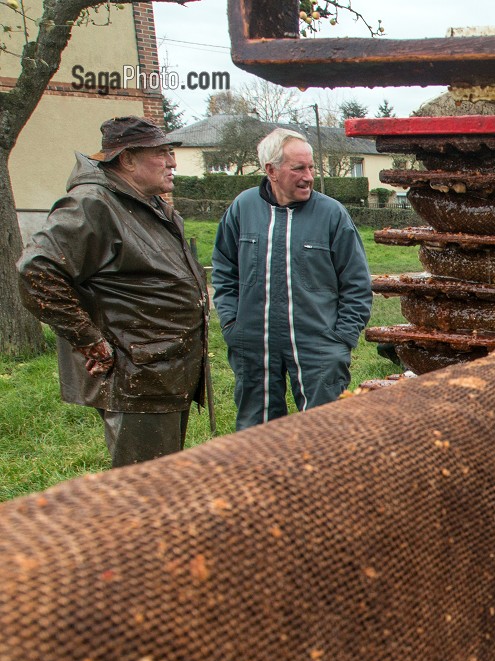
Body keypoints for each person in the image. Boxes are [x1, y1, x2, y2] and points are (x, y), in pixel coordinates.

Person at [17, 116, 211, 468]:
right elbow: (37, 270)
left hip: (162, 371)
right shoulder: (94, 203)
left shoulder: (147, 203)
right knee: (142, 489)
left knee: (160, 479)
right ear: (127, 159)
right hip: (135, 374)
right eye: (162, 153)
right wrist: (88, 338)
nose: (172, 162)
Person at [211, 128, 372, 430]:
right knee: (256, 433)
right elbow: (224, 269)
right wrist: (232, 323)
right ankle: (263, 479)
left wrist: (342, 339)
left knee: (324, 433)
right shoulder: (243, 208)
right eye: (298, 168)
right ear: (271, 170)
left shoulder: (331, 214)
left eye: (311, 167)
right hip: (254, 343)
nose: (308, 176)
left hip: (318, 345)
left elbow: (357, 284)